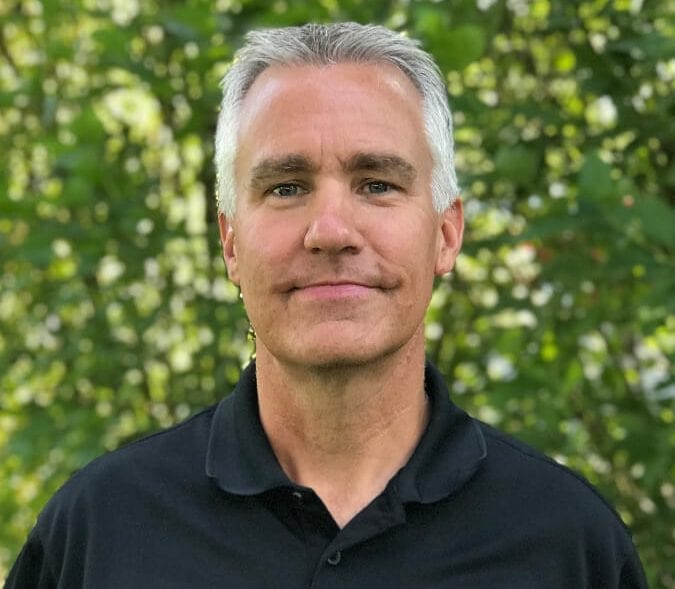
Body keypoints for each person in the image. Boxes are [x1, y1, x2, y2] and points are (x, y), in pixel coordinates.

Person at [6, 22, 647, 588]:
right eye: (286, 188)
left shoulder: (566, 543)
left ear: (446, 234)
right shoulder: (101, 532)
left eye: (377, 184)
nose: (331, 231)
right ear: (230, 243)